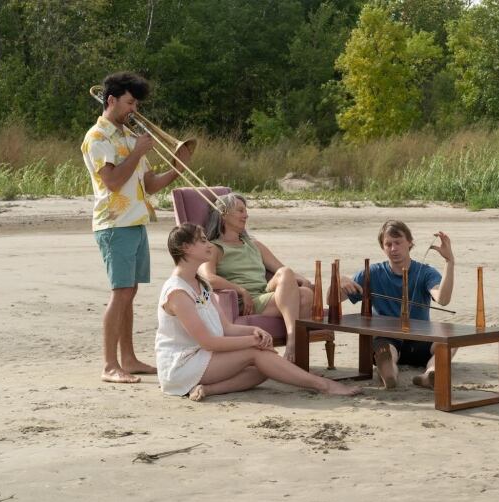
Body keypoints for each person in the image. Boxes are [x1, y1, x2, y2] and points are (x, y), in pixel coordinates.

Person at [155, 223, 361, 400]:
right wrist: (252, 342)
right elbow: (208, 342)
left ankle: (208, 389)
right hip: (181, 366)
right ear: (185, 248)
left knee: (264, 369)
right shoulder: (177, 292)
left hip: (204, 356)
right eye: (202, 241)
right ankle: (323, 385)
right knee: (257, 354)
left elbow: (225, 327)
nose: (209, 244)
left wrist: (254, 331)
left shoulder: (202, 285)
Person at [81, 71, 190, 383]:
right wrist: (139, 151)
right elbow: (113, 181)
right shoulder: (97, 137)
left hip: (136, 221)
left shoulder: (129, 137)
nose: (134, 110)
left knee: (130, 292)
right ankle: (109, 365)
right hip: (113, 224)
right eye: (130, 103)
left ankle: (127, 359)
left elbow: (150, 185)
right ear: (111, 100)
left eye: (137, 104)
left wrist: (177, 168)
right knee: (121, 292)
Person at [335, 220, 454, 389]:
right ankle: (389, 376)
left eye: (398, 243)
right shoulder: (372, 272)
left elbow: (443, 299)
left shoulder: (426, 272)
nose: (393, 249)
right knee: (385, 351)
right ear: (382, 247)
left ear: (410, 242)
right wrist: (339, 281)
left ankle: (430, 374)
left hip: (421, 339)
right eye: (388, 244)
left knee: (448, 342)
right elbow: (331, 300)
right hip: (387, 339)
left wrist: (449, 262)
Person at [199, 193, 313, 363]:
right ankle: (294, 345)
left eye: (246, 211)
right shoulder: (215, 247)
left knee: (298, 284)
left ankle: (293, 345)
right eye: (240, 210)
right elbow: (208, 277)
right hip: (247, 302)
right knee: (301, 293)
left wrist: (305, 280)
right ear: (223, 213)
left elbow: (281, 269)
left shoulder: (254, 245)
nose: (246, 215)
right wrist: (241, 290)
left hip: (264, 294)